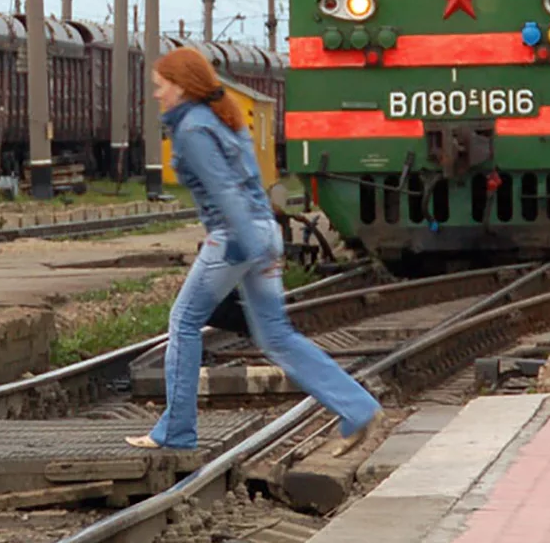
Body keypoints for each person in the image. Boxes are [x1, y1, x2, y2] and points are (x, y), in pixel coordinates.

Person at [126, 47, 383, 453]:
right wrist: (262, 246)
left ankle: (176, 431)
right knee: (276, 336)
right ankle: (358, 407)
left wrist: (246, 246)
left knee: (184, 322)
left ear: (182, 86)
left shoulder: (192, 129)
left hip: (234, 236)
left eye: (161, 86)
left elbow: (225, 191)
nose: (157, 94)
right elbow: (251, 182)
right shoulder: (224, 117)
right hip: (263, 231)